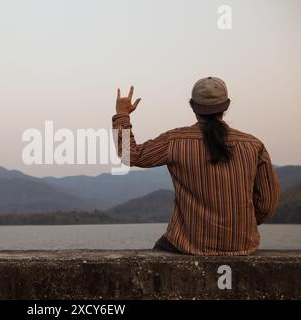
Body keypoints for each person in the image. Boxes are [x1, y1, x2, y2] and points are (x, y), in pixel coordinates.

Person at [112, 77, 280, 255]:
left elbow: (129, 156)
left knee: (157, 256)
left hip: (189, 245)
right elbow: (267, 204)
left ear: (192, 106)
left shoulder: (175, 141)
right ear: (227, 105)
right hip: (243, 246)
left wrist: (122, 115)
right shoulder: (253, 145)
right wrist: (240, 225)